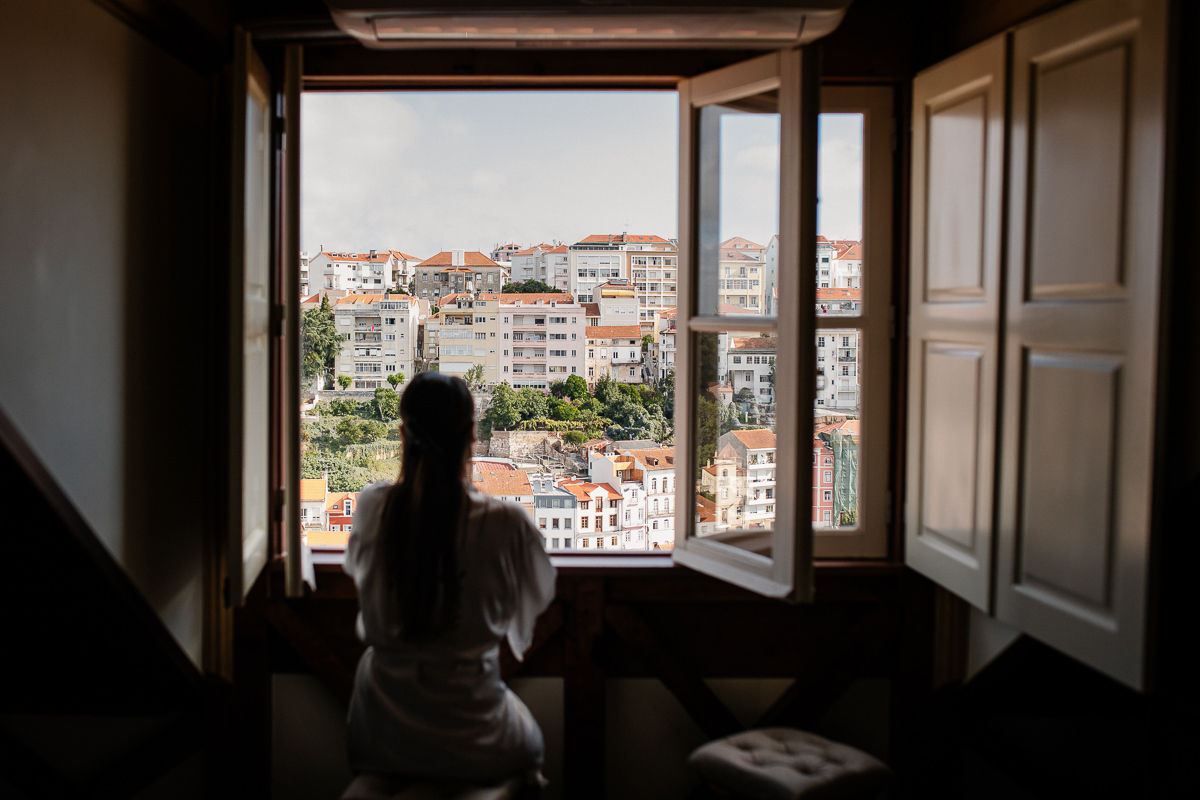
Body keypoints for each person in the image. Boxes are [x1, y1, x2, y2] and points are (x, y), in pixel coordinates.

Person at [344, 372, 557, 783]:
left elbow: (358, 573)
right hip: (478, 735)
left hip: (379, 734)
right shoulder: (505, 523)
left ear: (403, 434)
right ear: (472, 435)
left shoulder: (372, 507)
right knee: (533, 749)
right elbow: (536, 595)